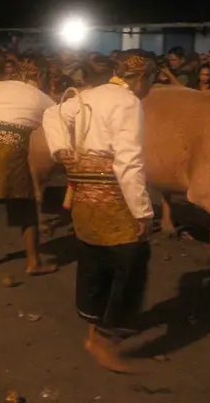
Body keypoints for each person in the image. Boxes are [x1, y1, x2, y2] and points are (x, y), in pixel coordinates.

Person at [42, 50, 155, 373]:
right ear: (141, 77)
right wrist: (143, 213)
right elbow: (128, 163)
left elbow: (51, 116)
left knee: (95, 259)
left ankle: (93, 328)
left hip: (83, 197)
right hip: (113, 198)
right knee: (131, 263)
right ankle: (105, 339)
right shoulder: (127, 101)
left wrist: (62, 149)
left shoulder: (84, 97)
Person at [0, 63, 58, 276]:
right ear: (37, 79)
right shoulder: (42, 97)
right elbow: (57, 120)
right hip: (11, 149)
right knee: (25, 205)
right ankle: (33, 262)